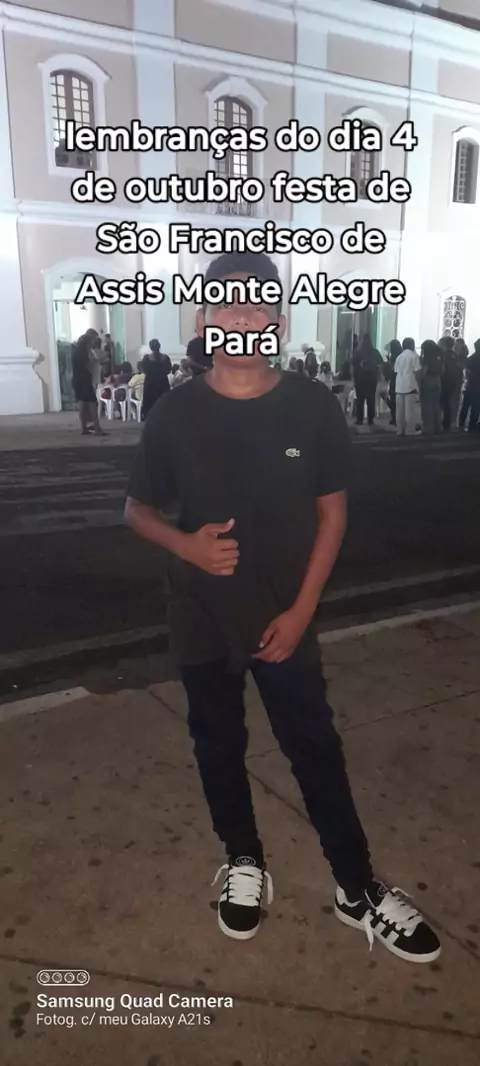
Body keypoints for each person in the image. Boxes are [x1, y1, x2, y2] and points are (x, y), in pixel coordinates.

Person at [125, 249, 440, 964]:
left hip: (284, 615)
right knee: (217, 744)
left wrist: (301, 613)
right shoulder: (174, 412)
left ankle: (355, 885)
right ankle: (244, 859)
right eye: (227, 303)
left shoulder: (311, 404)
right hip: (201, 616)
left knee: (313, 747)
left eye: (258, 303)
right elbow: (136, 509)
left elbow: (333, 515)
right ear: (203, 319)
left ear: (277, 319)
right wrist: (186, 545)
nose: (242, 316)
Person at [71, 330, 106, 437]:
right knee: (92, 404)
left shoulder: (75, 352)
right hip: (85, 380)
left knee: (81, 404)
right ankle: (97, 428)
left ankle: (84, 428)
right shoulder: (85, 354)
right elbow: (90, 364)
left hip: (77, 380)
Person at [352, 334, 383, 427]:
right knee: (371, 399)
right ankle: (370, 419)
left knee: (360, 400)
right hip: (371, 379)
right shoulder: (375, 352)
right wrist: (379, 375)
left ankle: (359, 419)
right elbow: (380, 364)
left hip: (360, 379)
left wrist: (353, 377)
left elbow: (353, 365)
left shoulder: (357, 352)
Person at [394, 338, 421, 436]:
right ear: (412, 345)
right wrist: (419, 385)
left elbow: (396, 371)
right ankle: (410, 430)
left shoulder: (399, 357)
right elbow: (417, 371)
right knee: (409, 411)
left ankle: (400, 429)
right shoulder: (414, 356)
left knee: (399, 411)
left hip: (399, 386)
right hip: (410, 386)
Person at [439, 336, 464, 432]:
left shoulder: (444, 355)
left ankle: (443, 424)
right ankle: (448, 424)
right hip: (454, 383)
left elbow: (443, 370)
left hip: (445, 382)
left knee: (443, 404)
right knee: (450, 405)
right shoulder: (456, 355)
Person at [419, 340, 444, 435]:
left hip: (427, 384)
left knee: (427, 407)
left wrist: (418, 378)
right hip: (437, 383)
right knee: (436, 406)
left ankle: (428, 428)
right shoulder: (440, 357)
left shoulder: (427, 358)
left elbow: (423, 373)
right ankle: (437, 427)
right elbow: (443, 370)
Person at [142, 343, 171, 419]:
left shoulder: (146, 358)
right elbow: (169, 370)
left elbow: (144, 370)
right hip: (163, 382)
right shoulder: (165, 358)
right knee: (163, 402)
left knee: (150, 402)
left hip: (150, 383)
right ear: (159, 346)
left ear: (150, 347)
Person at [458, 339, 480, 433]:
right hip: (477, 386)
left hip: (470, 385)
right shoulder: (472, 359)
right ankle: (472, 426)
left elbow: (467, 372)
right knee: (475, 408)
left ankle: (461, 425)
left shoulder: (471, 358)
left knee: (465, 406)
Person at [386, 340, 402, 426]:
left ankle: (394, 418)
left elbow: (392, 369)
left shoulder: (394, 357)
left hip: (394, 380)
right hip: (400, 380)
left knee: (393, 400)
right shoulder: (401, 355)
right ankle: (397, 418)